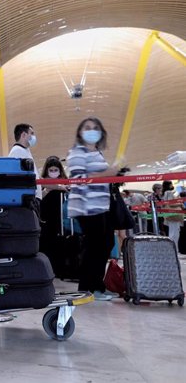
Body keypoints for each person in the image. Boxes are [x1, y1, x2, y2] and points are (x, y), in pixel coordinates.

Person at [66, 117, 124, 301]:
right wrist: (110, 172)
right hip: (86, 206)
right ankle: (88, 287)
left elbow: (101, 175)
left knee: (105, 244)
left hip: (100, 205)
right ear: (80, 132)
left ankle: (96, 285)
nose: (92, 130)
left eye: (95, 128)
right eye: (87, 128)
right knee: (95, 246)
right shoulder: (77, 152)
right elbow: (79, 177)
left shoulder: (97, 153)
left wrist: (114, 174)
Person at [38, 156, 69, 261]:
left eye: (56, 170)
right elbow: (38, 198)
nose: (53, 172)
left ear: (60, 170)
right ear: (46, 170)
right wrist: (48, 189)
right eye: (51, 170)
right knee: (47, 243)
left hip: (61, 220)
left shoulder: (65, 182)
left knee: (60, 243)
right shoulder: (41, 183)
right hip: (46, 220)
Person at [8, 123, 42, 202]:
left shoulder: (25, 150)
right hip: (27, 199)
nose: (34, 137)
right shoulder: (17, 151)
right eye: (32, 133)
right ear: (23, 135)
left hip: (33, 198)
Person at [161, 181, 182, 248]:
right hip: (174, 214)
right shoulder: (169, 192)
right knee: (175, 232)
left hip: (169, 214)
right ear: (169, 185)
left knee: (172, 231)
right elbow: (171, 203)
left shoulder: (164, 193)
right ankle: (174, 248)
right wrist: (180, 203)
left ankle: (172, 248)